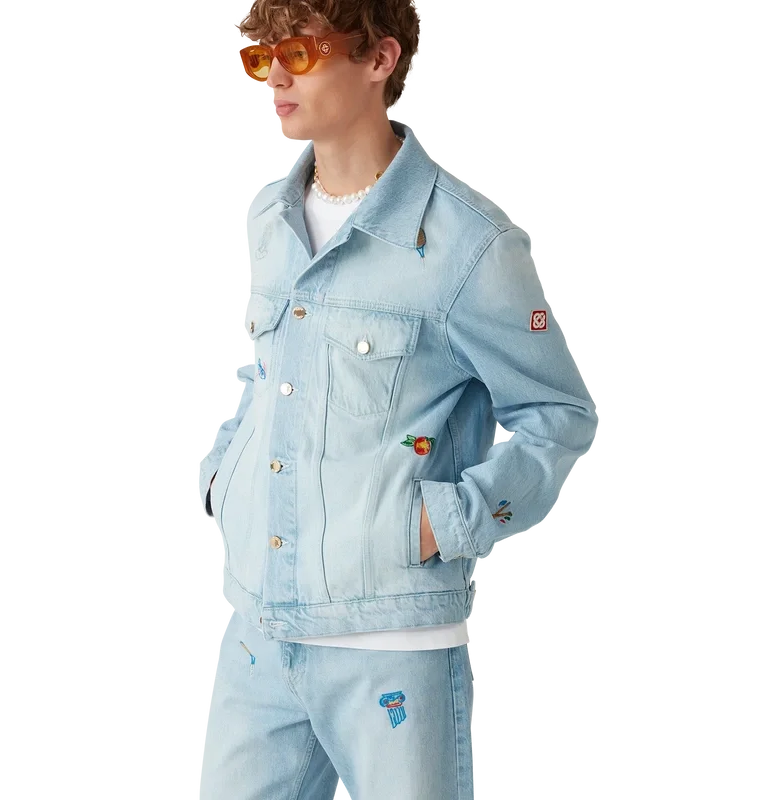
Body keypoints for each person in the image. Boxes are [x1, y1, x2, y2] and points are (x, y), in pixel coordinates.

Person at [197, 2, 599, 797]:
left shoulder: (468, 243)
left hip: (390, 642)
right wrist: (221, 477)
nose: (273, 79)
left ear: (379, 59)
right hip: (258, 626)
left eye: (299, 54)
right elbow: (266, 374)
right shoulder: (269, 217)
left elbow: (557, 415)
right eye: (260, 58)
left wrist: (443, 522)